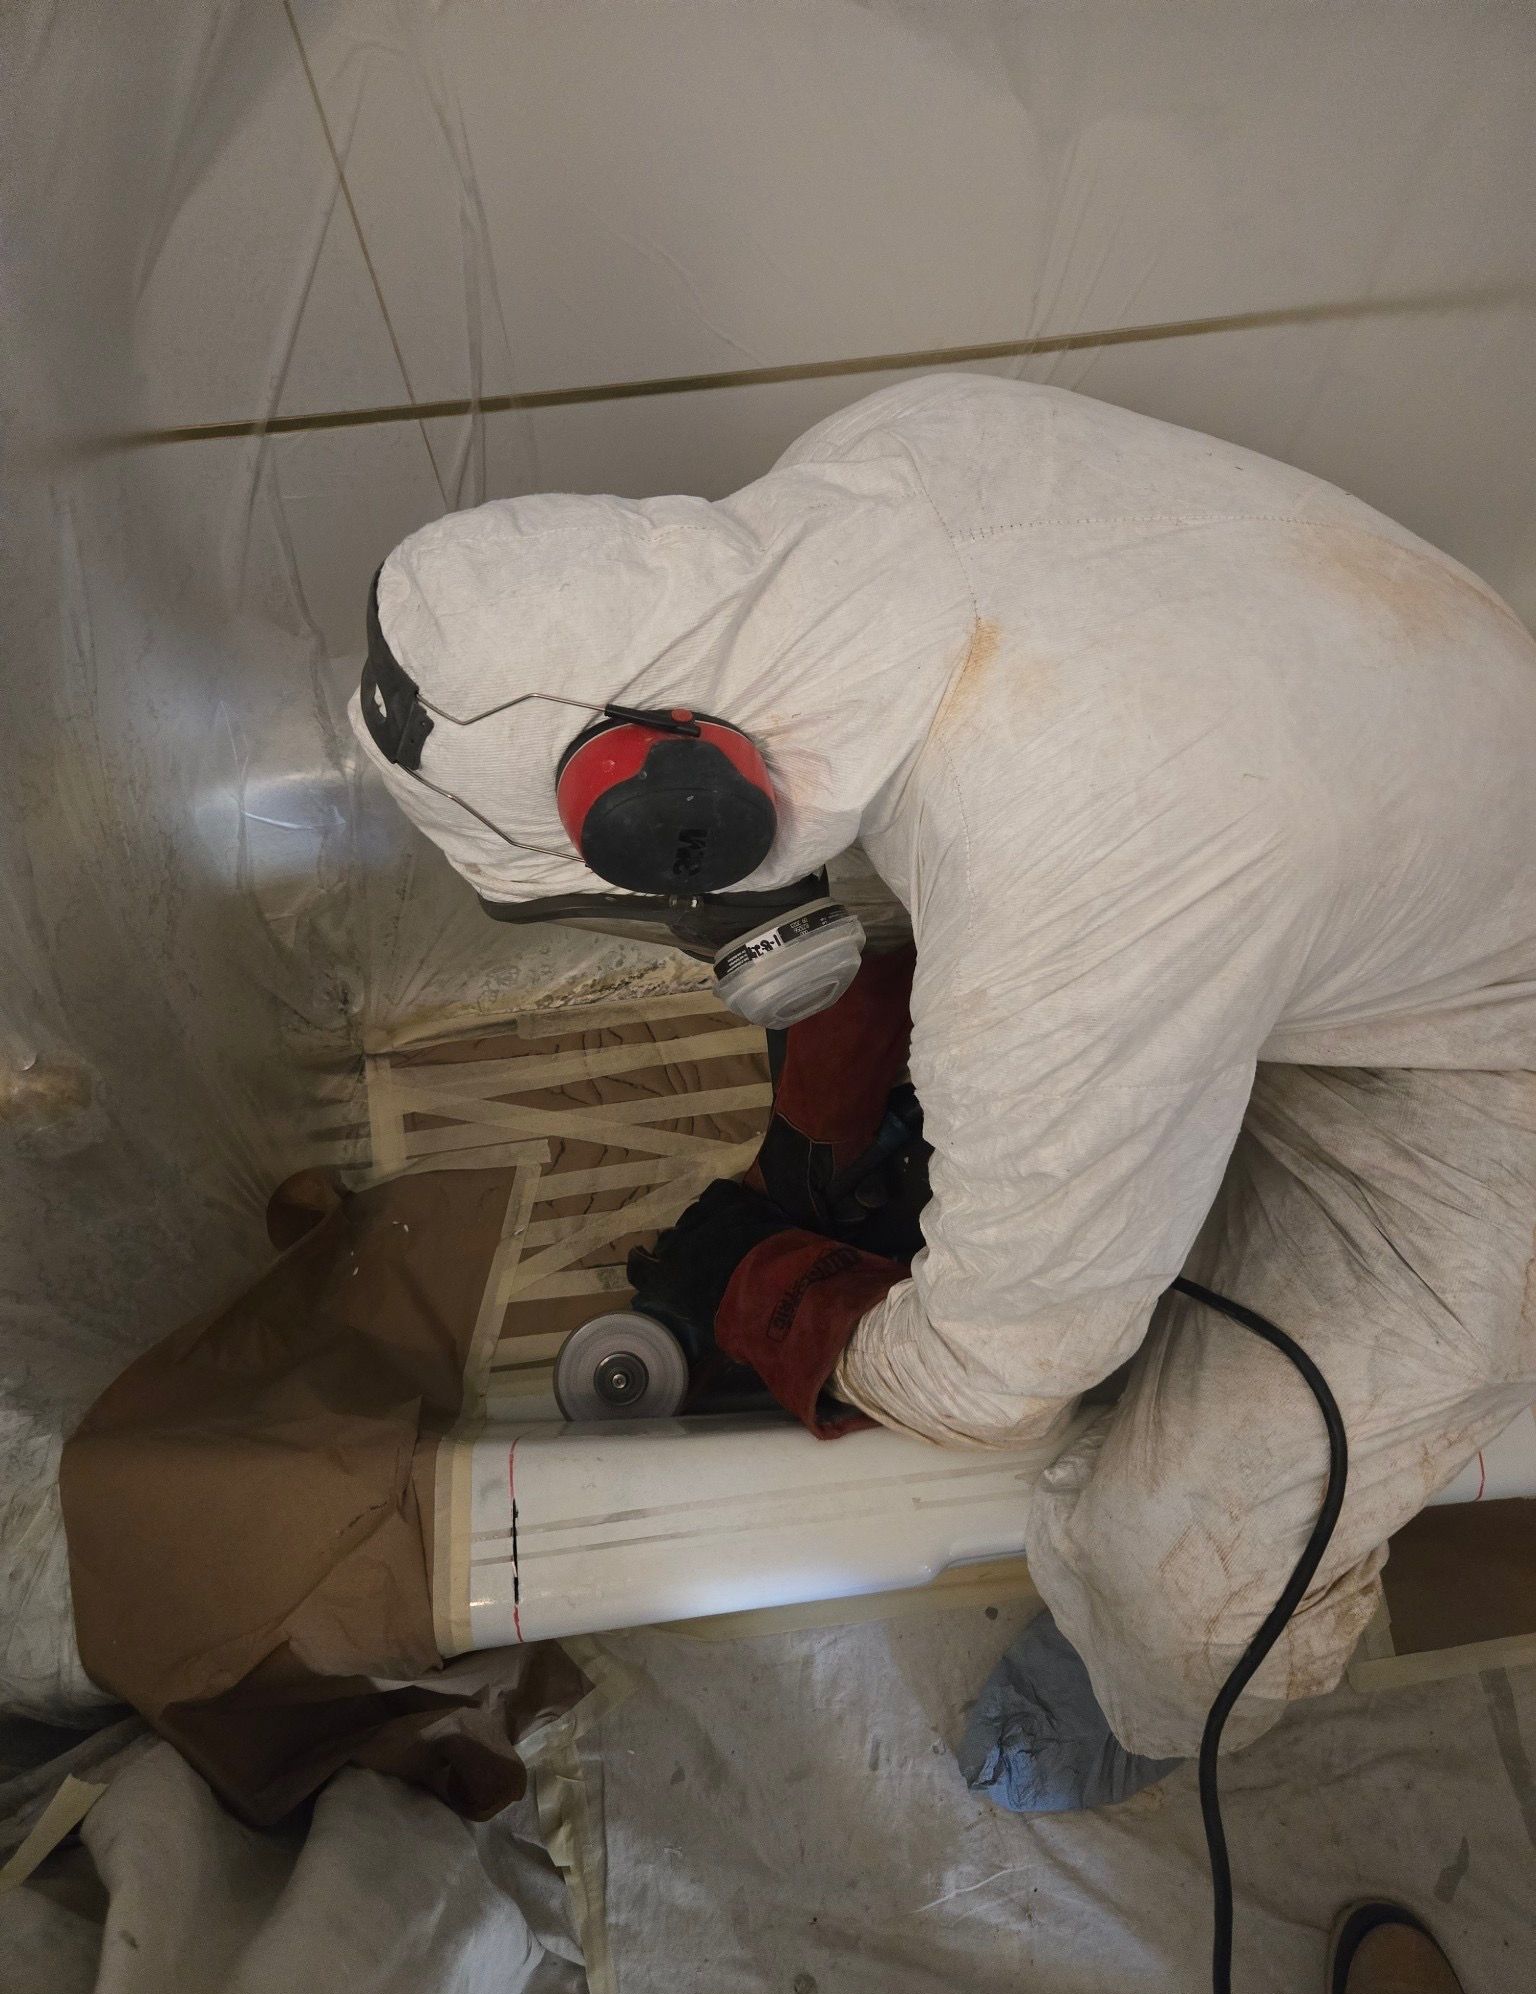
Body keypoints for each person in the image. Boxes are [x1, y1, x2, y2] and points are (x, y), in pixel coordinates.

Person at [352, 375, 1536, 1837]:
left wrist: (796, 1311)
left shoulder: (1072, 873)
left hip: (1478, 1086)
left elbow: (1003, 1373)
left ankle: (1146, 1702)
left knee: (1176, 1560)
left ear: (685, 812)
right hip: (1375, 877)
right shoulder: (884, 456)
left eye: (650, 895)